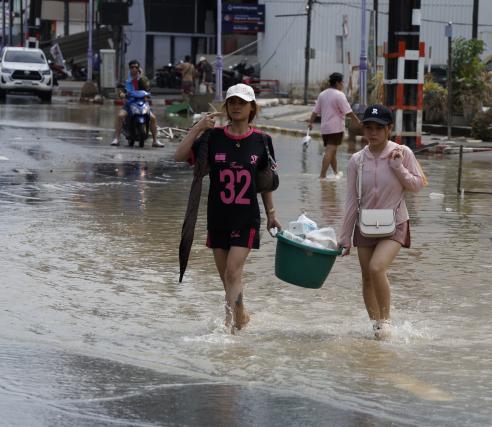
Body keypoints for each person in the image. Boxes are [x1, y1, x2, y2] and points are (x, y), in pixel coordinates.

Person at [174, 83, 282, 333]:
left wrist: (271, 215)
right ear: (225, 106)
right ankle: (241, 316)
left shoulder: (262, 141)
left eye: (242, 103)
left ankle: (231, 329)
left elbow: (265, 183)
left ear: (251, 108)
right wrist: (198, 127)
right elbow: (179, 156)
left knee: (234, 272)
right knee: (227, 278)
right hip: (218, 217)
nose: (236, 106)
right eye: (232, 102)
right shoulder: (213, 138)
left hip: (246, 219)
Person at [338, 104, 427, 340]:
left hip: (395, 222)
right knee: (367, 276)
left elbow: (417, 186)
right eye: (368, 127)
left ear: (389, 129)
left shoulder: (402, 152)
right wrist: (344, 237)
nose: (373, 133)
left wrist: (398, 169)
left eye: (378, 128)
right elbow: (350, 201)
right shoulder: (356, 161)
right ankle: (376, 328)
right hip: (364, 224)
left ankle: (386, 321)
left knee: (377, 268)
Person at [308, 72, 361, 179]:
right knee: (330, 150)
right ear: (337, 83)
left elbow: (315, 111)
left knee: (332, 150)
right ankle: (322, 175)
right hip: (336, 128)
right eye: (342, 82)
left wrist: (310, 122)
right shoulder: (339, 95)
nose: (343, 85)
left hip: (325, 129)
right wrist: (357, 120)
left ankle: (336, 172)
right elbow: (348, 111)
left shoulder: (322, 94)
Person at [111, 60, 163, 147]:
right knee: (120, 116)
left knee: (153, 118)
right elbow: (122, 91)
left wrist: (148, 92)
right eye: (132, 67)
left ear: (139, 68)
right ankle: (116, 138)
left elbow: (148, 89)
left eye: (136, 67)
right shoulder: (127, 81)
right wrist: (122, 94)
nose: (134, 69)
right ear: (130, 68)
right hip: (129, 104)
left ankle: (155, 141)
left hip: (142, 103)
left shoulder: (143, 79)